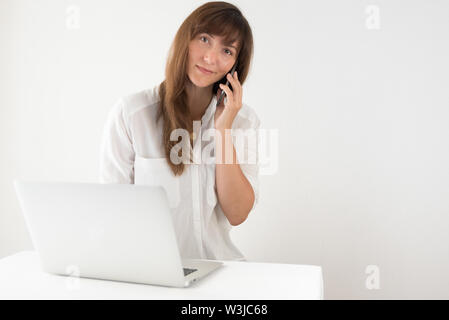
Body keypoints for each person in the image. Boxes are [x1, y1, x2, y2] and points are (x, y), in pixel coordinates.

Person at [99, 1, 260, 261]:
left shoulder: (244, 121)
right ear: (184, 39)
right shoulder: (132, 114)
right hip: (151, 273)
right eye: (205, 39)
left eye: (227, 50)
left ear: (235, 66)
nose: (211, 58)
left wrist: (222, 129)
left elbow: (237, 213)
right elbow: (113, 210)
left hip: (220, 272)